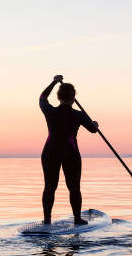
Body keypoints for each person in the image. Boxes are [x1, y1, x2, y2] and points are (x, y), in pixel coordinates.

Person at [39, 75, 99, 225]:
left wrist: (53, 82)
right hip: (70, 153)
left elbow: (42, 97)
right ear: (73, 98)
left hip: (50, 152)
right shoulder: (79, 115)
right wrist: (95, 124)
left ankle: (47, 220)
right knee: (74, 188)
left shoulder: (50, 111)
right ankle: (77, 219)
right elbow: (93, 130)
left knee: (49, 187)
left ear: (58, 97)